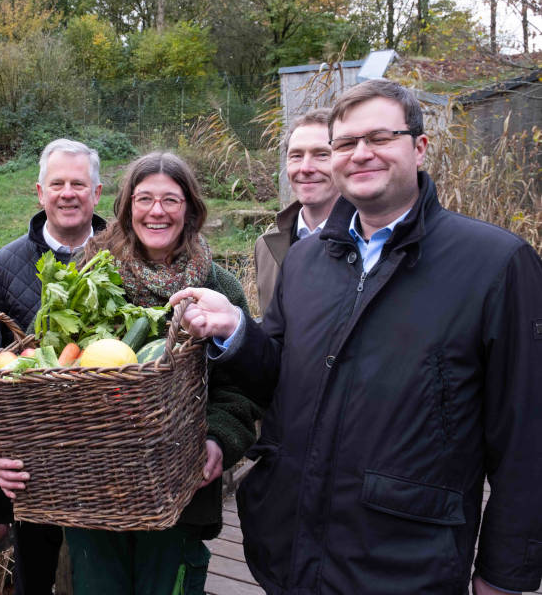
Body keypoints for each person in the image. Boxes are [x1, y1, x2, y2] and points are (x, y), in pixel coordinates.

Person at [170, 79, 542, 594]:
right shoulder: (306, 258)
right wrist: (237, 329)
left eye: (380, 137)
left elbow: (527, 435)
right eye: (345, 143)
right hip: (290, 551)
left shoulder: (495, 263)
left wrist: (504, 574)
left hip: (403, 562)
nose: (360, 154)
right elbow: (276, 373)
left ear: (419, 146)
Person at [0, 151, 268, 594]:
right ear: (125, 206)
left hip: (181, 493)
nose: (157, 211)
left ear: (190, 208)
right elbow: (33, 366)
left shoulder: (217, 287)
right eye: (144, 198)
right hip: (92, 495)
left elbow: (242, 390)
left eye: (171, 200)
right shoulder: (89, 274)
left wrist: (218, 438)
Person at [0, 139, 107, 595]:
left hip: (109, 457)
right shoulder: (4, 264)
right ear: (40, 192)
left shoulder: (124, 256)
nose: (68, 193)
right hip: (32, 462)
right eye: (58, 184)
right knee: (32, 577)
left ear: (97, 193)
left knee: (102, 576)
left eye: (79, 183)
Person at [254, 107, 340, 313]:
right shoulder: (266, 247)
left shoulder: (371, 241)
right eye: (296, 156)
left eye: (321, 154)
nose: (305, 168)